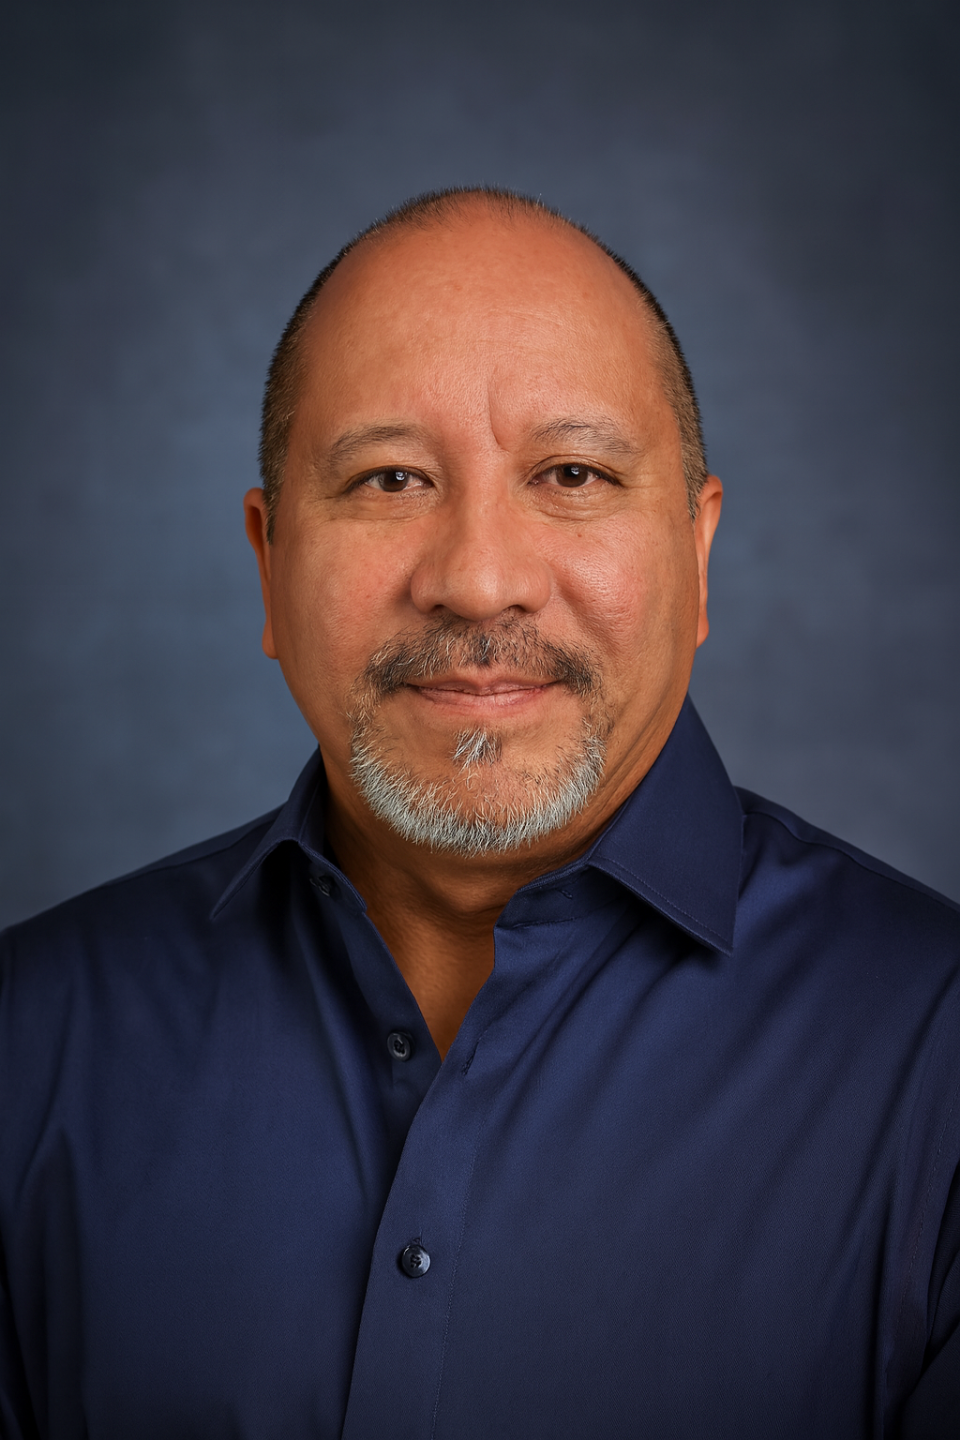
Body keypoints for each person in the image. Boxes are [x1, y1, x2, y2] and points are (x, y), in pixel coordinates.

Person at [1, 188, 958, 1440]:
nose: (479, 579)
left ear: (697, 549)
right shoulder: (26, 1046)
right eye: (390, 478)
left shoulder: (940, 1066)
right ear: (269, 561)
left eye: (572, 474)